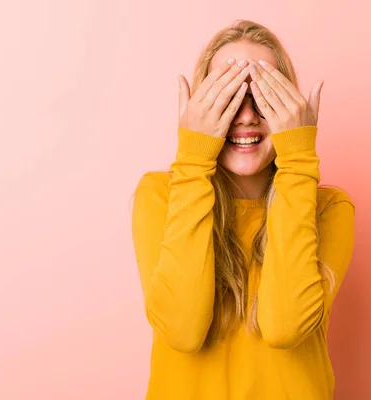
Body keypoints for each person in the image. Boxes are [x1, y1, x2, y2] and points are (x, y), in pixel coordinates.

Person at [131, 19, 355, 400]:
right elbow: (182, 330)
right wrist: (193, 156)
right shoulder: (161, 195)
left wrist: (298, 159)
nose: (246, 115)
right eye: (227, 96)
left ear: (290, 107)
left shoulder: (330, 209)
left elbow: (285, 326)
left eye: (264, 96)